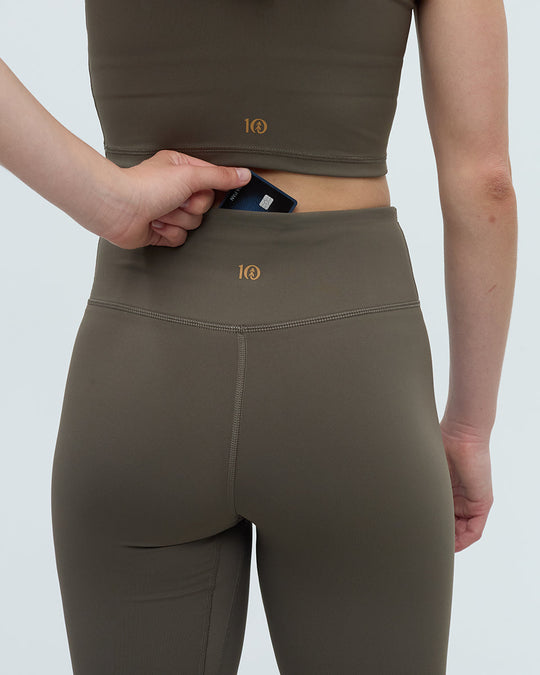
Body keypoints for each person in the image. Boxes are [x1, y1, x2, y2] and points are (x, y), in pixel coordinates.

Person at [0, 0, 517, 673]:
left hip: (139, 370)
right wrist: (469, 430)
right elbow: (485, 184)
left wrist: (104, 197)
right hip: (354, 376)